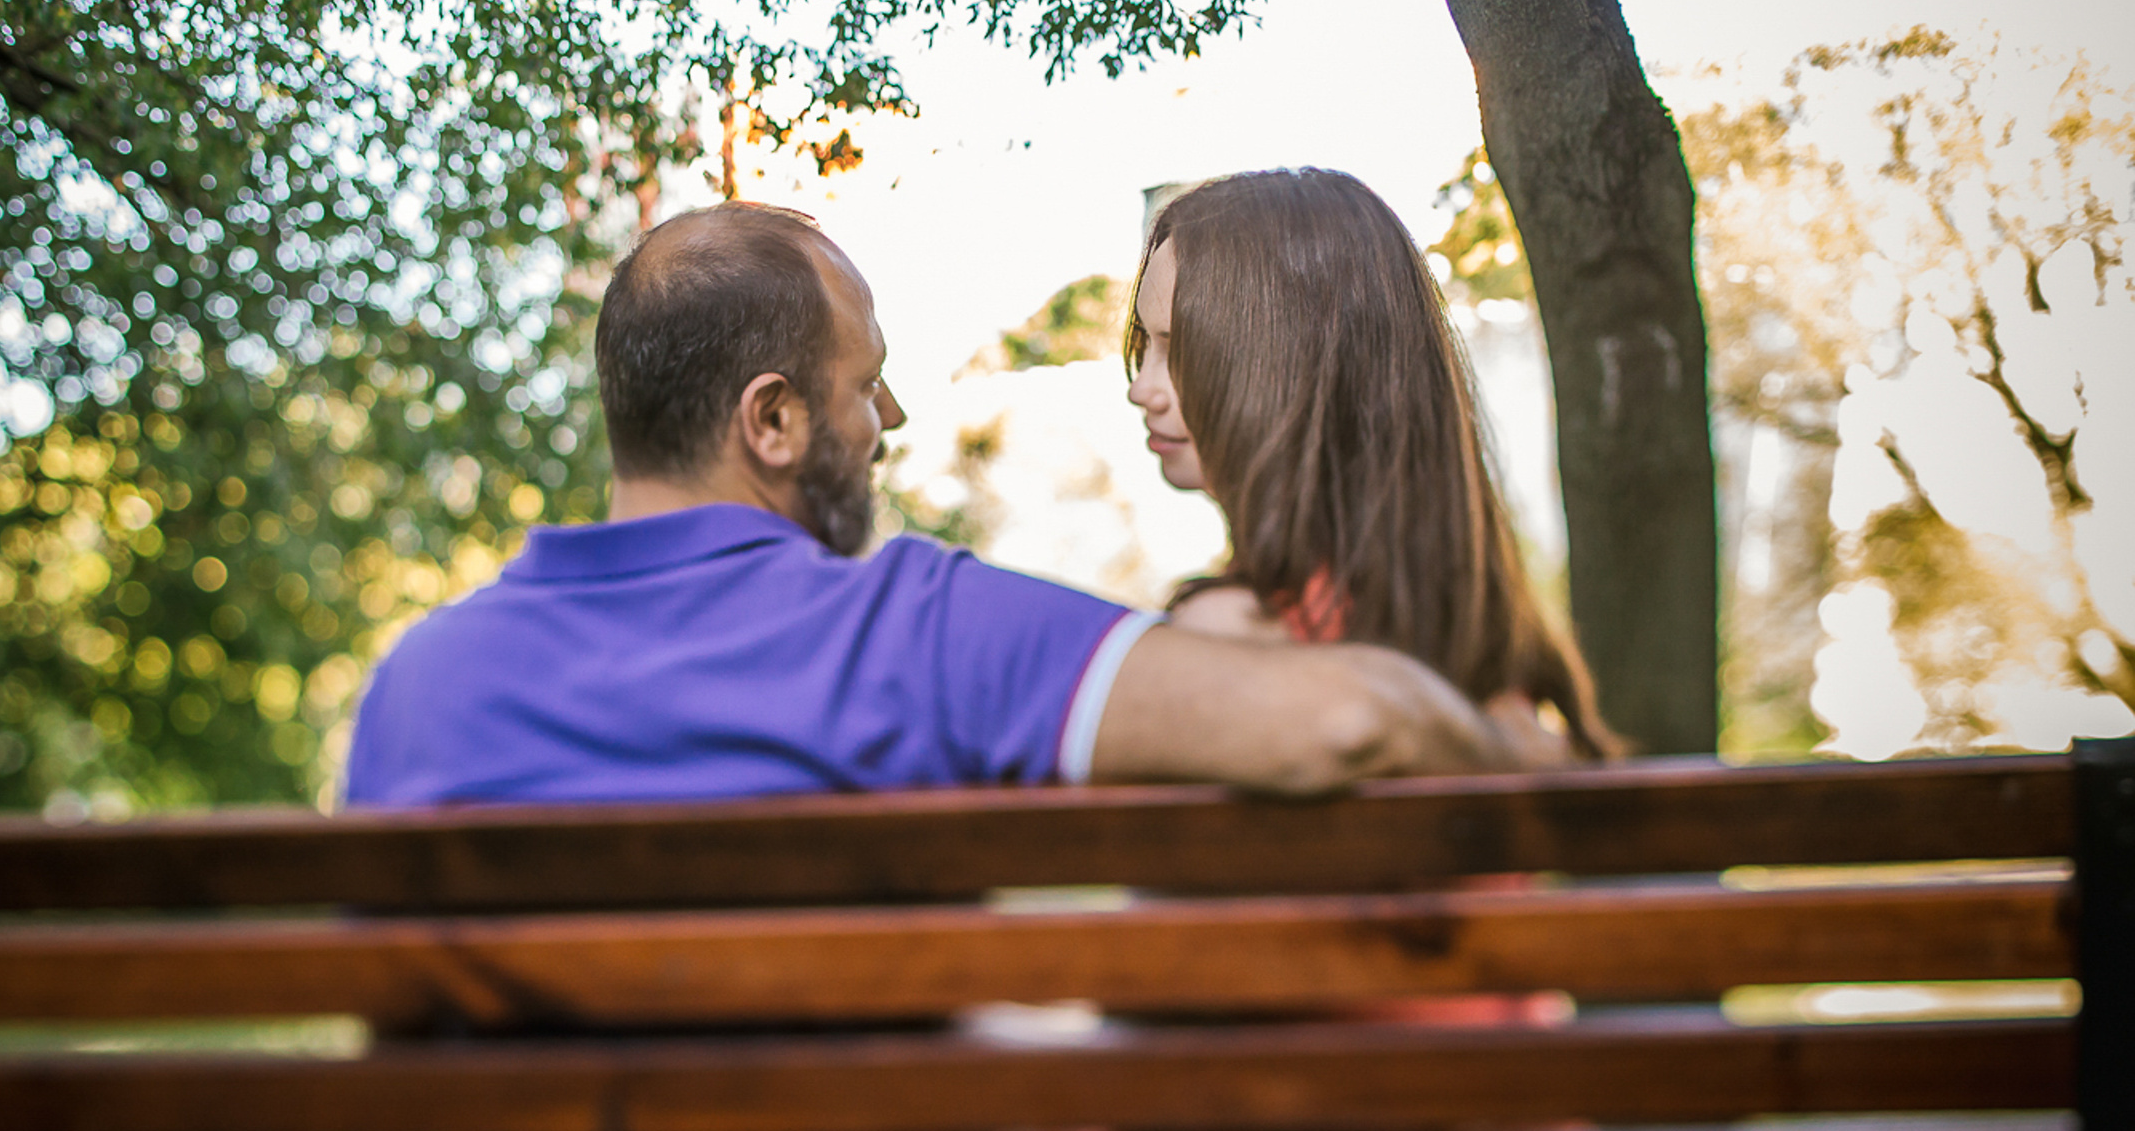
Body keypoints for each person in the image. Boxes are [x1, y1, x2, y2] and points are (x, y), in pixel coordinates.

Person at [344, 200, 1562, 807]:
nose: (892, 427)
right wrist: (1497, 744)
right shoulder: (918, 629)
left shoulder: (419, 685)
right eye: (864, 389)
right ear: (770, 421)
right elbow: (1342, 725)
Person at [1126, 167, 1613, 757]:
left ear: (1292, 367)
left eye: (1177, 349)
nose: (1142, 388)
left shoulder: (1232, 633)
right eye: (1145, 346)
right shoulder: (1484, 640)